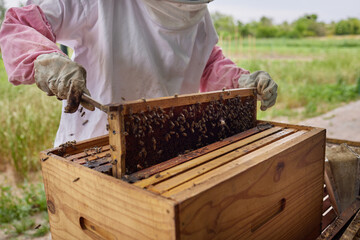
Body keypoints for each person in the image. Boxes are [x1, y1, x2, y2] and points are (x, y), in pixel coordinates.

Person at [0, 0, 278, 147]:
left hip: (167, 143)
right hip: (93, 145)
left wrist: (240, 80)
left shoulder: (198, 14)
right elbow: (20, 24)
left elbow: (205, 62)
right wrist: (46, 59)